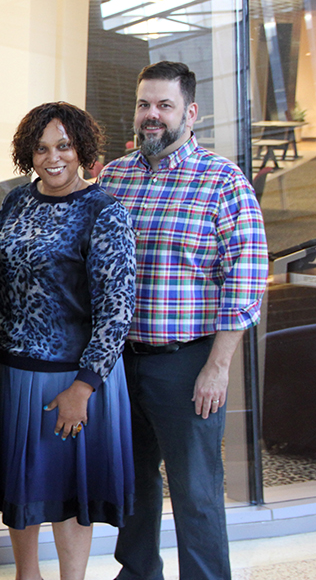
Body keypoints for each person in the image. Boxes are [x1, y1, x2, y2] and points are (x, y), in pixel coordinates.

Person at [98, 61, 268, 580]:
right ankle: (138, 575)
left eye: (164, 106)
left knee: (195, 491)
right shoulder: (114, 176)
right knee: (132, 486)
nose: (152, 116)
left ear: (190, 113)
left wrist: (218, 368)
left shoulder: (223, 182)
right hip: (122, 363)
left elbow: (245, 280)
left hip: (188, 363)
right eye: (144, 104)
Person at [0, 102, 136, 580]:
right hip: (15, 374)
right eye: (41, 148)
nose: (52, 158)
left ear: (82, 151)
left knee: (71, 494)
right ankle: (25, 576)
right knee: (23, 489)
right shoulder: (16, 201)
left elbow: (116, 308)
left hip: (74, 381)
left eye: (64, 147)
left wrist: (85, 386)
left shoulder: (104, 210)